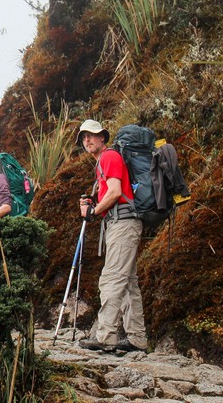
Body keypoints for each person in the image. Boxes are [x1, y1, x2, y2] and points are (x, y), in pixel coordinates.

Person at [76, 119, 148, 353]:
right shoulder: (102, 163)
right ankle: (137, 338)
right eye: (84, 137)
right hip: (122, 223)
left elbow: (116, 192)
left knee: (111, 279)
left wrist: (93, 212)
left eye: (92, 135)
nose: (87, 140)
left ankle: (106, 336)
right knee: (128, 282)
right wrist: (94, 205)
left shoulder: (109, 157)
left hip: (123, 224)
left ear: (102, 138)